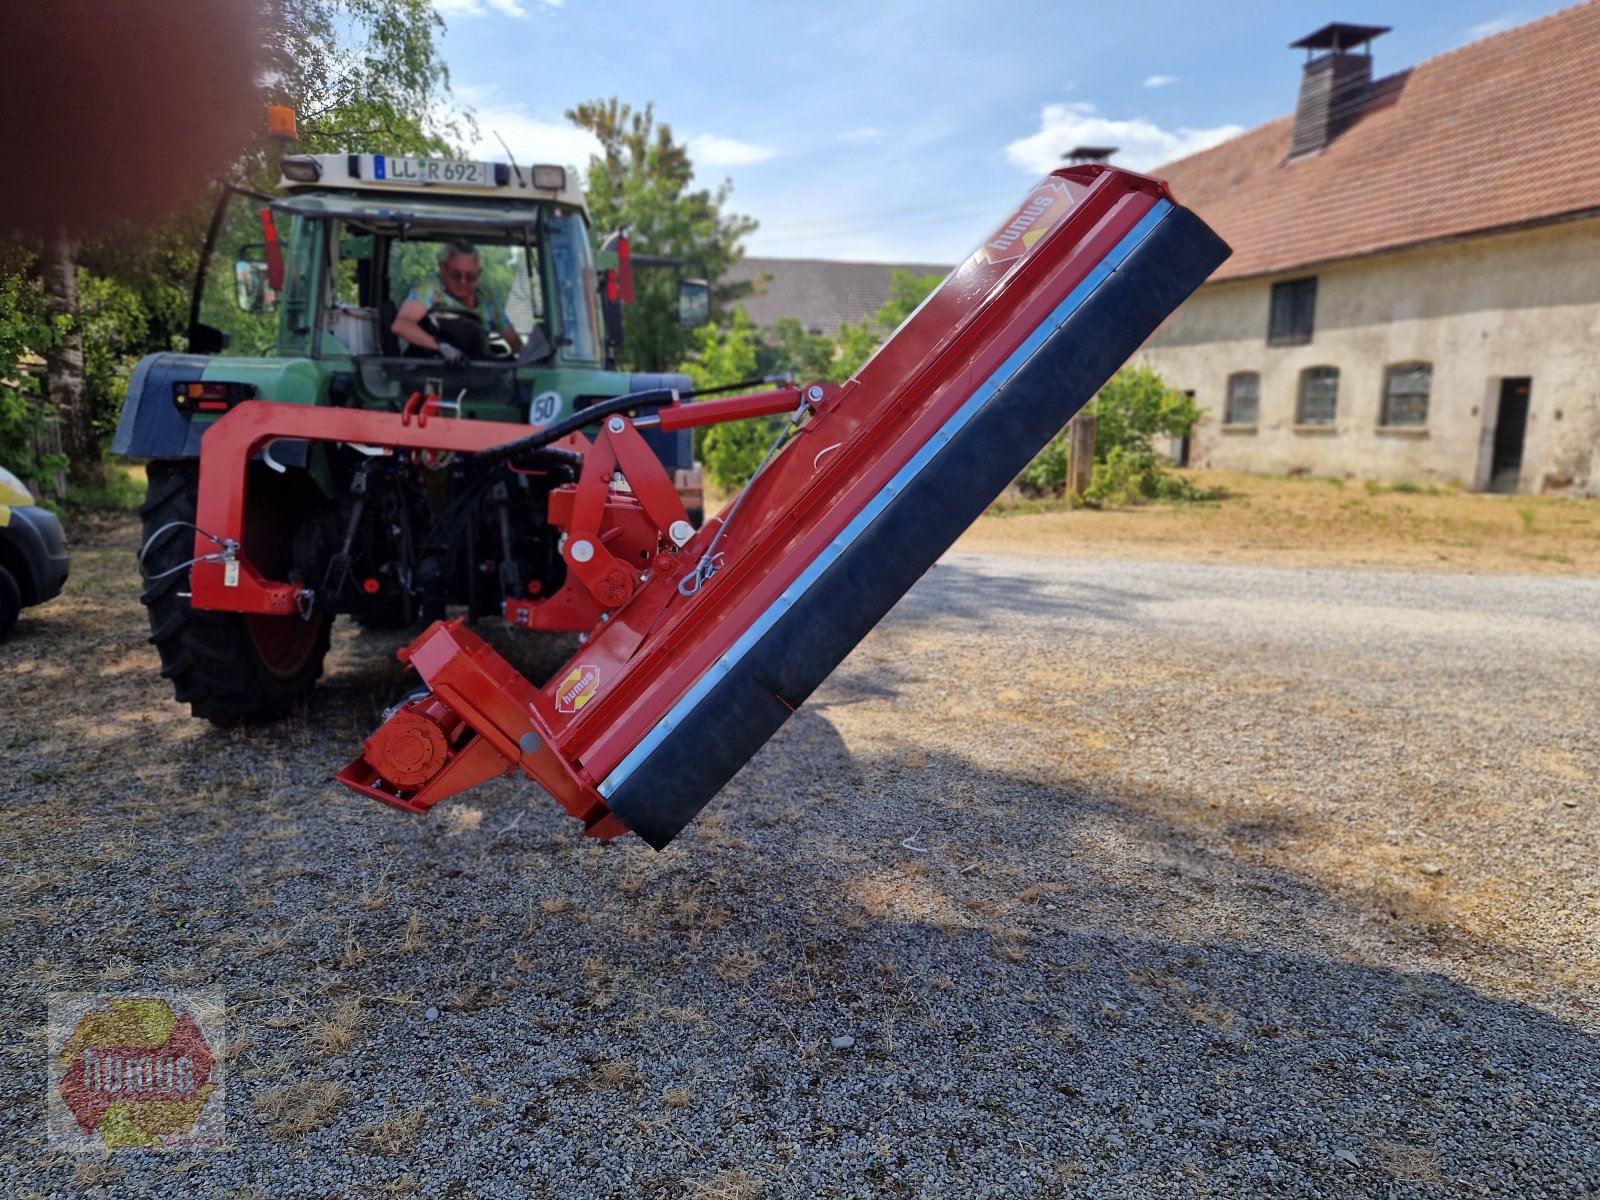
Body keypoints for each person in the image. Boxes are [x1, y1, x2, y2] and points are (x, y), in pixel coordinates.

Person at [391, 240, 523, 363]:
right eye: (455, 274)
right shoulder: (430, 289)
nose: (463, 282)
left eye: (471, 276)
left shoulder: (487, 298)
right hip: (433, 370)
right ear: (442, 268)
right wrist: (442, 346)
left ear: (479, 273)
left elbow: (514, 342)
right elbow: (401, 325)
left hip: (478, 371)